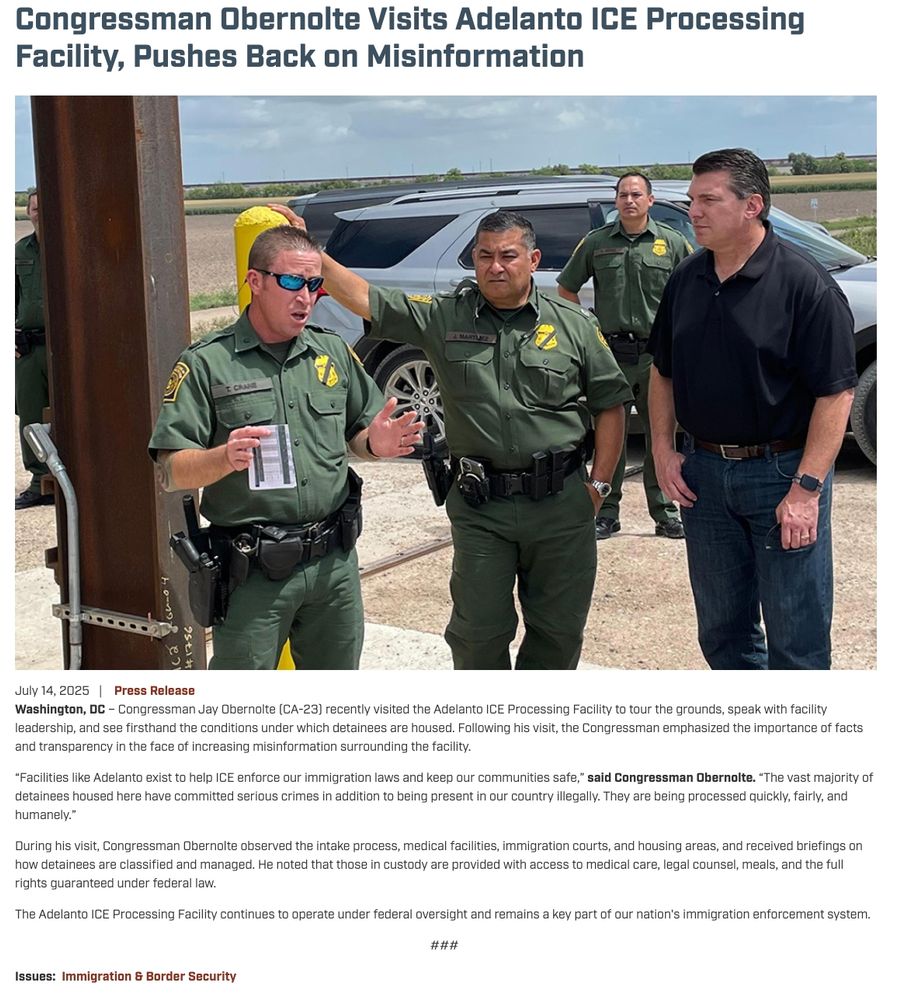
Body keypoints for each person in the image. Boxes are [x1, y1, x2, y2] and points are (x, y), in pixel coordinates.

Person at [274, 205, 632, 670]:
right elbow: (368, 299)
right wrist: (313, 254)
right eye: (483, 255)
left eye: (507, 255)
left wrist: (599, 487)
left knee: (558, 633)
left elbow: (611, 405)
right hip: (483, 509)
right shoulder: (445, 316)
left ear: (533, 259)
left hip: (562, 507)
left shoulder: (573, 324)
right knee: (476, 636)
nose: (495, 266)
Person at [149, 225, 423, 670]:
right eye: (292, 282)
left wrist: (374, 443)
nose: (306, 297)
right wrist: (222, 458)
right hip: (254, 576)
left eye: (315, 285)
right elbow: (171, 470)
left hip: (333, 566)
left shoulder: (331, 353)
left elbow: (359, 430)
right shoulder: (207, 363)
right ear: (255, 281)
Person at [648, 148, 857, 670]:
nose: (693, 211)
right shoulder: (686, 280)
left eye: (708, 200)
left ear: (752, 205)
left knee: (796, 637)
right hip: (704, 478)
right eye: (691, 200)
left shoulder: (805, 285)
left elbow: (835, 394)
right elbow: (662, 371)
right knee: (723, 632)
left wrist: (807, 490)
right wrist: (662, 450)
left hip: (782, 476)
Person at [557, 172, 692, 540]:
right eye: (622, 195)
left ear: (650, 200)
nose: (629, 200)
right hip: (611, 355)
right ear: (615, 202)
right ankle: (606, 512)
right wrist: (588, 330)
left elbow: (694, 289)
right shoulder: (597, 243)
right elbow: (566, 288)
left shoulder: (673, 243)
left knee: (659, 437)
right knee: (609, 436)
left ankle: (664, 513)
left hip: (656, 357)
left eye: (636, 194)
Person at [15, 189, 53, 510]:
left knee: (68, 411)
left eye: (44, 207)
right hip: (28, 348)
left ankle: (69, 477)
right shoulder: (19, 252)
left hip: (61, 347)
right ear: (29, 212)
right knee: (30, 414)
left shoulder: (66, 248)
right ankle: (39, 481)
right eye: (35, 208)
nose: (39, 212)